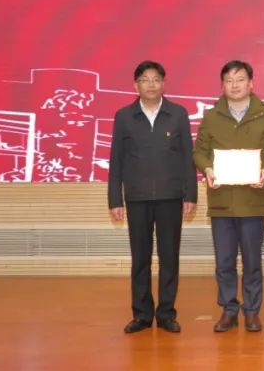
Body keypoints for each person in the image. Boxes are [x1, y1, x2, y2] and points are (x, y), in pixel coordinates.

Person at [192, 60, 264, 333]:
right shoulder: (212, 116)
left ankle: (252, 311)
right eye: (229, 80)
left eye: (240, 79)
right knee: (224, 261)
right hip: (221, 200)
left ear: (251, 83)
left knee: (252, 262)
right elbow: (199, 152)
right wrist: (207, 169)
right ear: (222, 85)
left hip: (252, 199)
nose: (234, 85)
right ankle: (229, 310)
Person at [107, 60, 197, 333]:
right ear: (135, 85)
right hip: (137, 198)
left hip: (171, 196)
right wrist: (115, 199)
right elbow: (116, 160)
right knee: (140, 259)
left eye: (156, 79)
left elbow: (187, 157)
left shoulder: (178, 114)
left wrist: (190, 194)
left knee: (169, 258)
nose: (151, 84)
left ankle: (166, 314)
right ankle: (142, 314)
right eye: (145, 80)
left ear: (163, 83)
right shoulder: (124, 116)